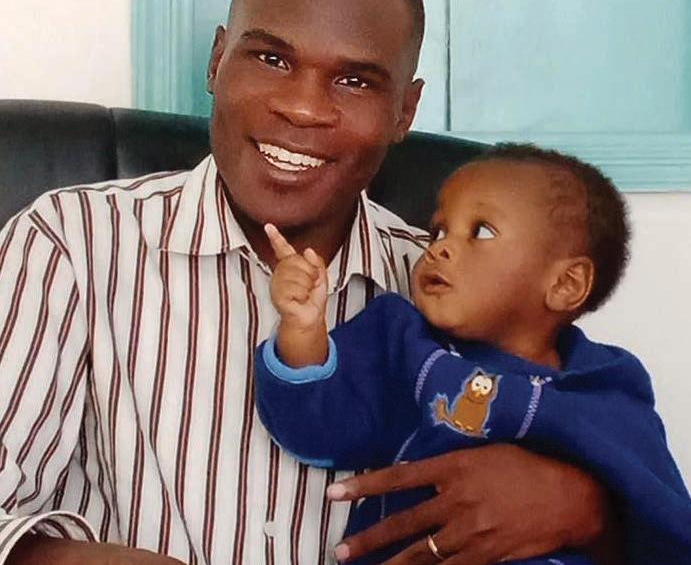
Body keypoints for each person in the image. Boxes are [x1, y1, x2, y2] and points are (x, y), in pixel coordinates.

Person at [0, 0, 620, 565]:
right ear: (217, 61)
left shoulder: (459, 287)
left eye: (354, 82)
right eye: (271, 60)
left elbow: (607, 452)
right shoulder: (71, 243)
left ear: (405, 112)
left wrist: (586, 512)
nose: (302, 109)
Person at [256, 143, 691, 565]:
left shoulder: (606, 387)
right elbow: (318, 425)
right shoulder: (405, 345)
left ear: (565, 284)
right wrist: (302, 330)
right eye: (439, 231)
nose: (438, 247)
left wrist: (589, 513)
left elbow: (663, 520)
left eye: (480, 231)